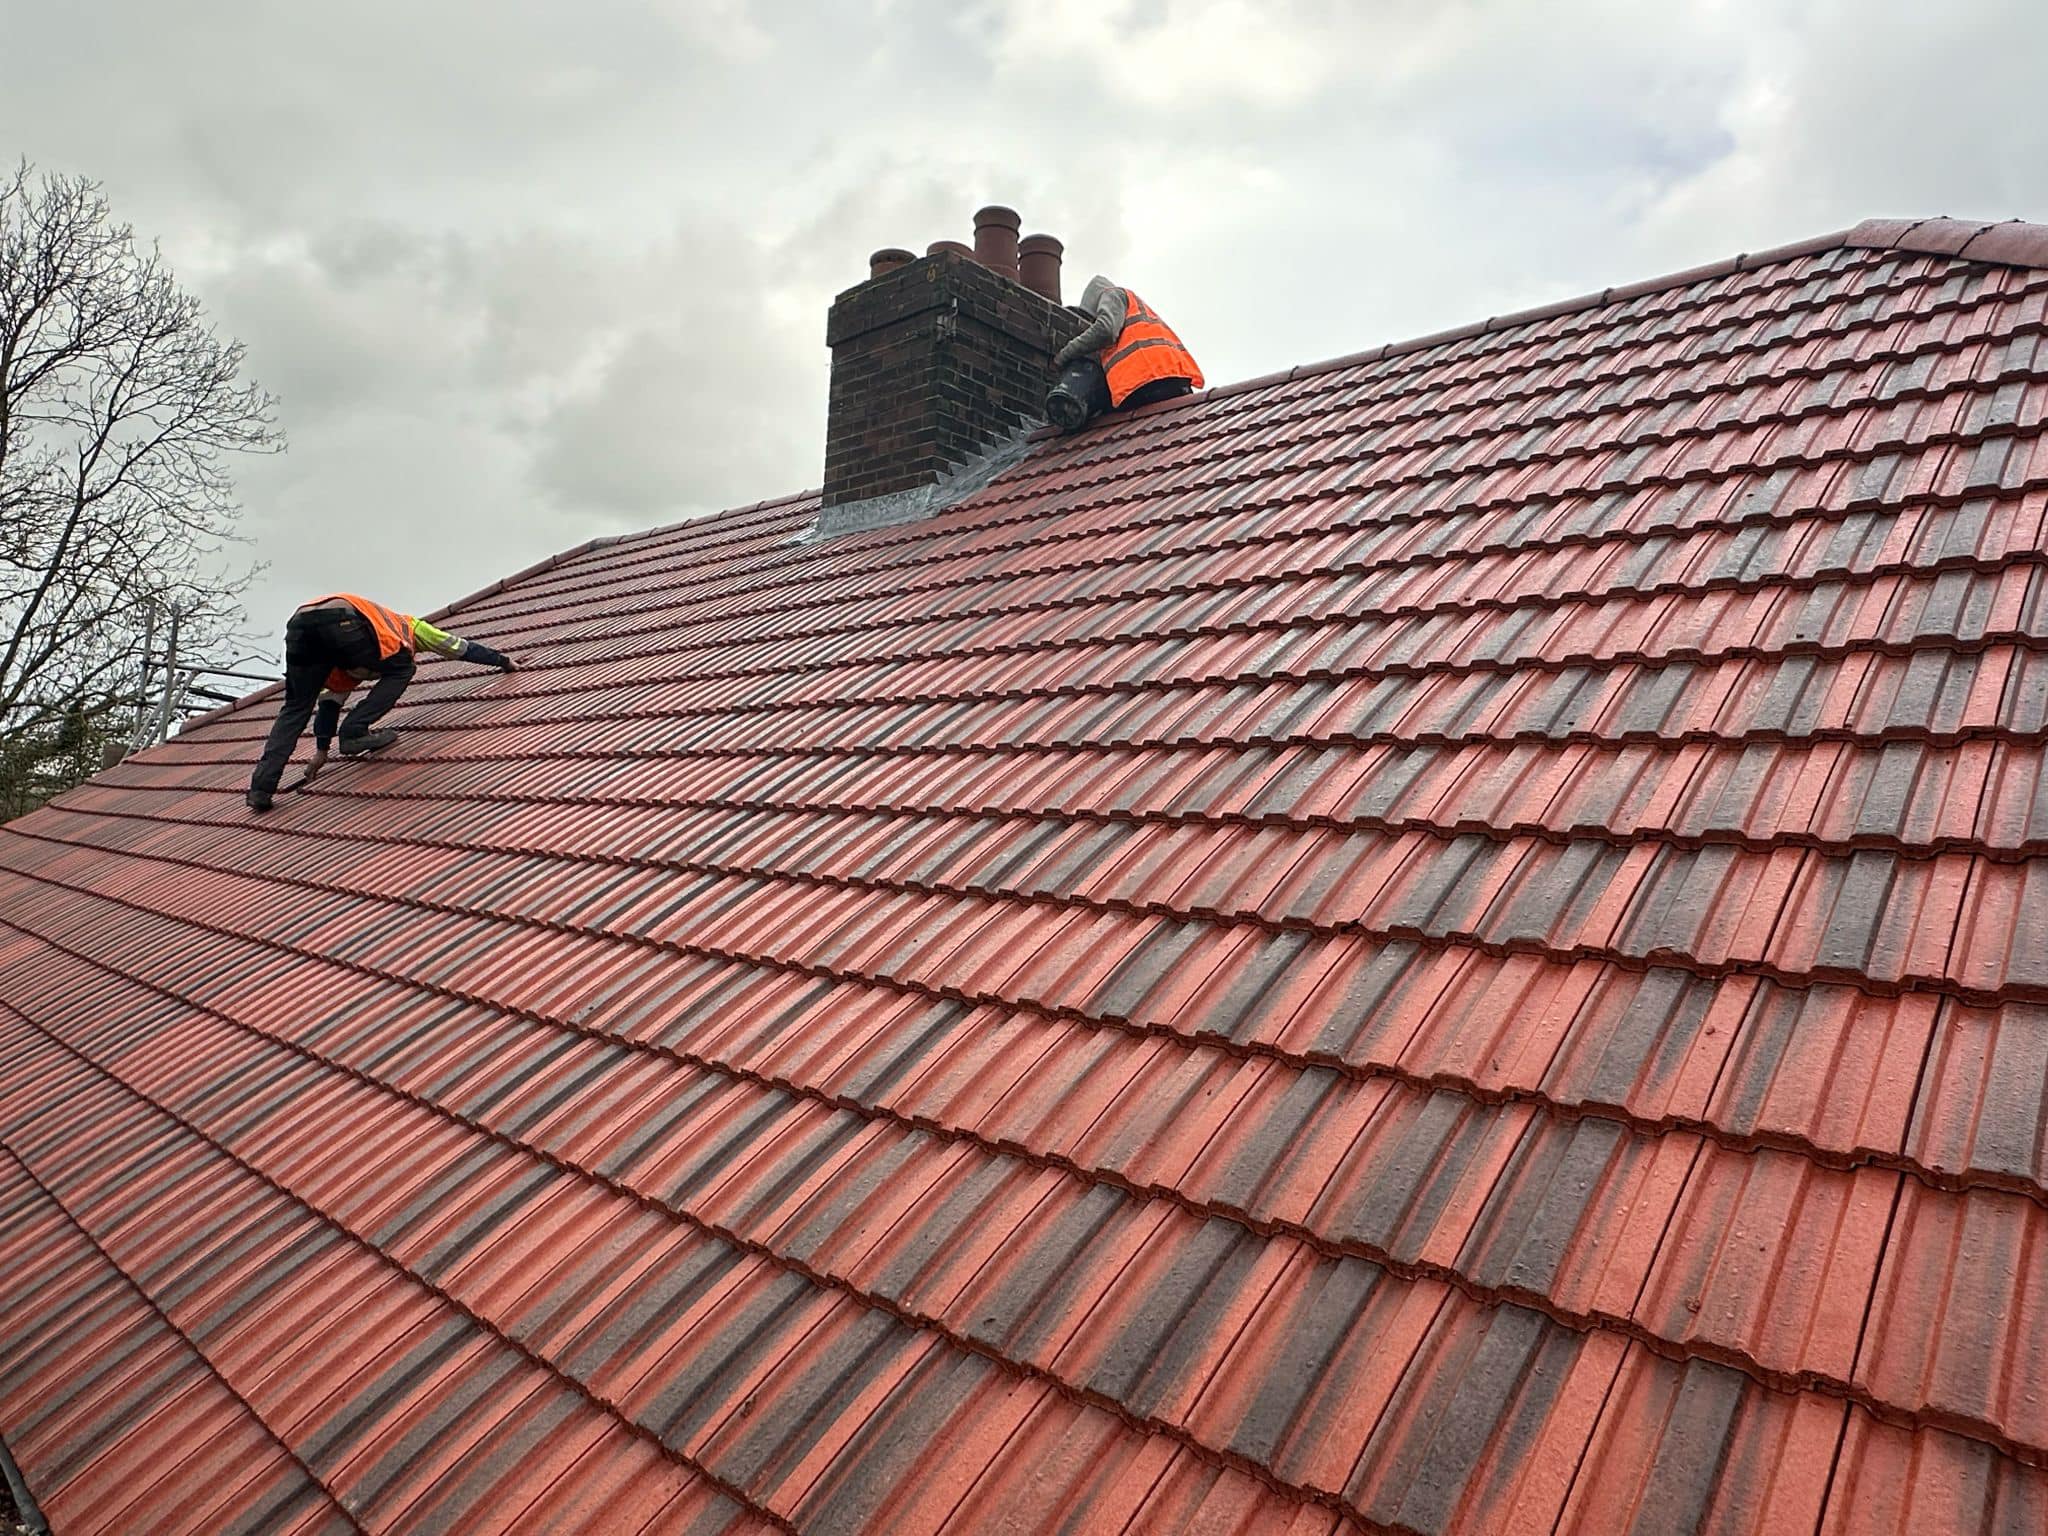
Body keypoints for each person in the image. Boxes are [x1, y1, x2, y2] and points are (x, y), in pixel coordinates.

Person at [245, 592, 515, 812]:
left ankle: (260, 789)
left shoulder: (342, 664)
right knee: (403, 667)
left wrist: (322, 750)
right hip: (341, 617)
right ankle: (355, 730)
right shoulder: (411, 627)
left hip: (299, 625)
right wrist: (502, 660)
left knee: (295, 708)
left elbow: (330, 700)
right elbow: (458, 647)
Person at [1047, 275, 1204, 432]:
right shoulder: (1135, 314)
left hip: (1148, 381)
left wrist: (1066, 354)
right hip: (1170, 379)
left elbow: (1105, 330)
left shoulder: (1113, 294)